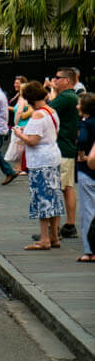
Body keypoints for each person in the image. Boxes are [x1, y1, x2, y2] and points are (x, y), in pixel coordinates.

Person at [12, 81, 64, 250]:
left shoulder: (37, 115)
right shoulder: (52, 111)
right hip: (54, 156)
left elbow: (33, 140)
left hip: (41, 161)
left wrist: (20, 133)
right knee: (54, 198)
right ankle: (55, 236)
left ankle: (44, 239)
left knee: (42, 199)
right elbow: (54, 133)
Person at [48, 68, 80, 239]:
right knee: (67, 187)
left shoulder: (66, 98)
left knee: (58, 187)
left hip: (62, 147)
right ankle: (69, 224)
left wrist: (52, 90)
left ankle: (55, 229)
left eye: (58, 78)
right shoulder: (70, 97)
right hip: (67, 146)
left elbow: (47, 110)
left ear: (67, 80)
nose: (55, 80)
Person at [75, 93, 95, 262]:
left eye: (79, 104)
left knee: (88, 211)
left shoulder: (85, 124)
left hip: (87, 170)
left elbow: (82, 140)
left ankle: (90, 250)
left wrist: (81, 154)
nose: (77, 106)